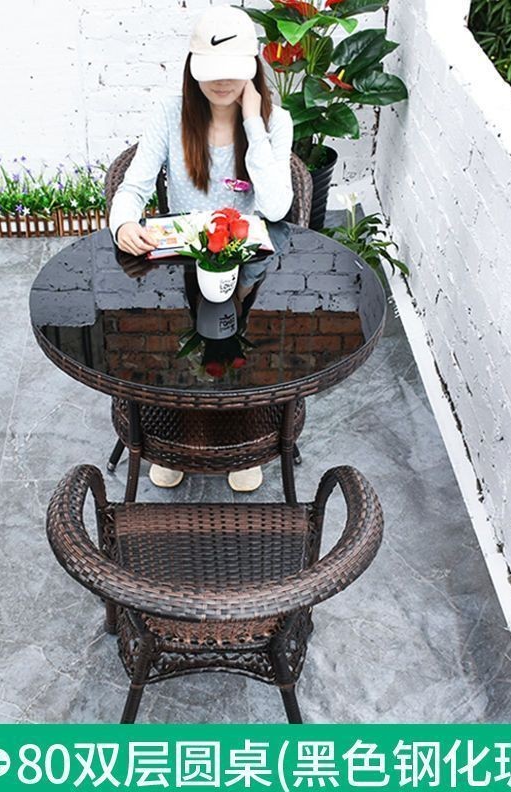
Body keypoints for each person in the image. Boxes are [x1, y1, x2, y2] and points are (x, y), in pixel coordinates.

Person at [108, 5, 294, 493]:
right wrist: (123, 222)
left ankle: (240, 437)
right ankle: (174, 437)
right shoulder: (171, 114)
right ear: (193, 67)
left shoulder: (275, 121)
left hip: (248, 263)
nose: (223, 81)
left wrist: (252, 123)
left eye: (234, 69)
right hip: (183, 262)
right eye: (213, 70)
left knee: (243, 350)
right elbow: (133, 185)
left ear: (252, 66)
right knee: (178, 348)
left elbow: (277, 207)